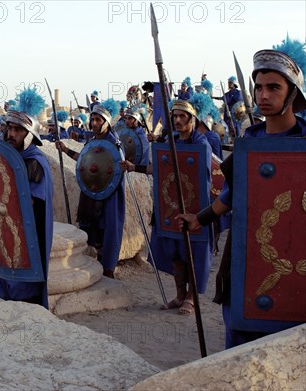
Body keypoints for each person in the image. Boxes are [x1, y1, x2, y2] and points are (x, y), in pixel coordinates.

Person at [177, 44, 306, 347]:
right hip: (249, 249)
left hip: (294, 259)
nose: (263, 95)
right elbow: (233, 195)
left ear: (293, 94)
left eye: (274, 87)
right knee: (241, 334)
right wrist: (200, 218)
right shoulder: (251, 140)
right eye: (258, 87)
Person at [122, 99, 214, 315]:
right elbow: (160, 169)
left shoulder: (202, 143)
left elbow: (203, 177)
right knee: (175, 252)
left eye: (183, 116)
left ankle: (191, 298)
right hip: (170, 203)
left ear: (193, 119)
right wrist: (135, 167)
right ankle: (180, 295)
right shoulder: (171, 140)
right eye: (176, 116)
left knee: (193, 252)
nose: (179, 120)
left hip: (194, 205)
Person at [0, 87, 54, 308]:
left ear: (30, 134)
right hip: (3, 229)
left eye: (18, 130)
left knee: (25, 296)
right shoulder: (7, 158)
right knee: (5, 289)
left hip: (25, 239)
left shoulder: (34, 162)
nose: (11, 134)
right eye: (9, 129)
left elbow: (25, 204)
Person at [56, 99, 124, 278]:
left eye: (98, 120)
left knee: (108, 231)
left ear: (106, 122)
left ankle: (108, 271)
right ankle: (99, 266)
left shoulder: (115, 143)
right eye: (92, 119)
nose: (94, 123)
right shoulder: (92, 141)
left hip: (109, 195)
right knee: (94, 231)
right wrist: (65, 150)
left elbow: (118, 170)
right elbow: (85, 161)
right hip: (92, 193)